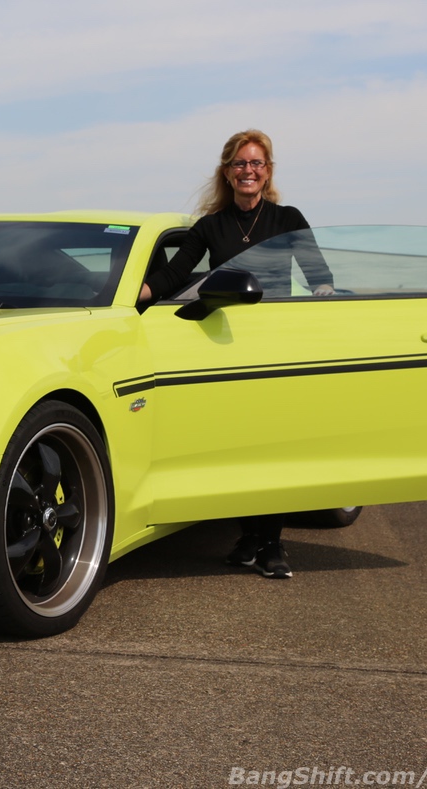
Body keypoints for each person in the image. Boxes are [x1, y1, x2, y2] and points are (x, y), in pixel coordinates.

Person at [140, 129, 333, 579]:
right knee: (237, 443)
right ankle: (249, 537)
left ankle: (271, 544)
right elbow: (172, 276)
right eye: (240, 164)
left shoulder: (287, 218)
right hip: (226, 345)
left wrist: (326, 293)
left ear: (268, 172)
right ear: (227, 173)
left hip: (275, 342)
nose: (249, 171)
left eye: (257, 164)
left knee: (273, 444)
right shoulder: (211, 226)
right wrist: (134, 294)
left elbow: (318, 272)